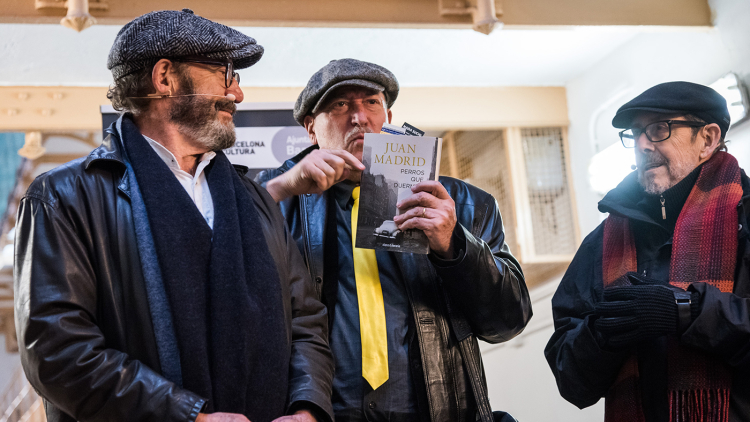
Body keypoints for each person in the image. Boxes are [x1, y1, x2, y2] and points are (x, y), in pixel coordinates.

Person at [14, 9, 333, 422]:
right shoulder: (62, 197)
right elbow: (57, 350)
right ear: (165, 78)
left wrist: (307, 408)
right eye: (225, 73)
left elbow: (306, 320)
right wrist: (188, 417)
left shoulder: (252, 198)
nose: (237, 94)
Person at [256, 58, 532, 422]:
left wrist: (454, 245)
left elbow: (508, 321)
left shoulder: (464, 204)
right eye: (340, 105)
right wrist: (277, 190)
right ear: (311, 129)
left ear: (388, 117)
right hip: (322, 413)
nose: (359, 117)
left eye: (371, 102)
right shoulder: (276, 199)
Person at [545, 81, 750, 421]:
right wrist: (602, 333)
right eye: (635, 133)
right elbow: (572, 382)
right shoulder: (601, 244)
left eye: (658, 129)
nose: (641, 144)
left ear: (708, 139)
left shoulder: (745, 217)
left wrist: (686, 312)